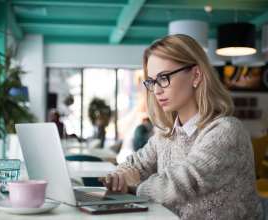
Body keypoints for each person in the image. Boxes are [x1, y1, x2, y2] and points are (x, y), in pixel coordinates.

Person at [100, 34, 263, 219]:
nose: (157, 90)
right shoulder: (167, 134)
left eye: (163, 78)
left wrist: (134, 185)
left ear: (196, 75)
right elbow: (135, 164)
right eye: (152, 81)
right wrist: (118, 177)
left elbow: (180, 184)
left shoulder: (226, 131)